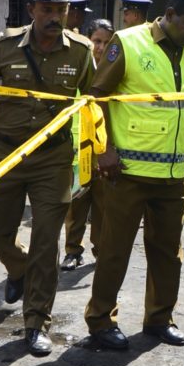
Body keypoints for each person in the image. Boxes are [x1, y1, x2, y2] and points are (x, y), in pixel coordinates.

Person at [0, 0, 95, 356]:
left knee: (46, 239)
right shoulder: (5, 46)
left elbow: (94, 101)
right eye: (47, 9)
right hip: (5, 153)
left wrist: (96, 153)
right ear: (32, 10)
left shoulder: (80, 51)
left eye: (61, 10)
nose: (55, 16)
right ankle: (18, 266)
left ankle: (36, 321)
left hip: (52, 159)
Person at [83, 0, 184, 350]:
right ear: (168, 15)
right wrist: (104, 148)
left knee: (168, 252)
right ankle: (100, 319)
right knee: (114, 249)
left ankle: (159, 318)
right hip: (126, 173)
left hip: (173, 175)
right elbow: (97, 98)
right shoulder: (127, 43)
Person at [60, 18, 115, 271]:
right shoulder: (77, 68)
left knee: (104, 205)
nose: (101, 47)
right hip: (77, 149)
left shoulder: (115, 72)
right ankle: (73, 250)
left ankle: (101, 249)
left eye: (106, 42)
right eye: (96, 41)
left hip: (104, 148)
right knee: (77, 203)